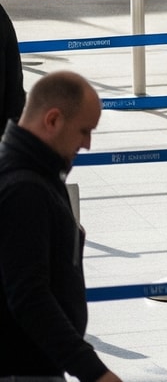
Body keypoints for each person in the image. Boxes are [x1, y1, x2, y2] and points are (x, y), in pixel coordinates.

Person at [0, 70, 121, 382]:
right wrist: (95, 373)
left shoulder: (35, 173)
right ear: (52, 120)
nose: (88, 144)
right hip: (24, 370)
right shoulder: (24, 188)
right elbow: (30, 297)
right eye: (84, 131)